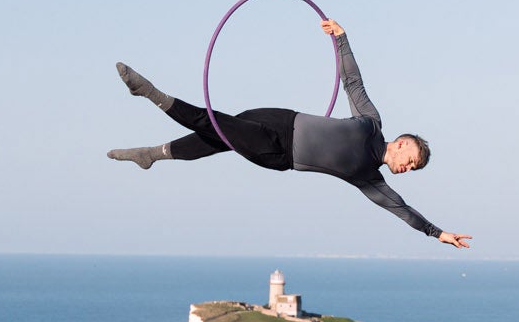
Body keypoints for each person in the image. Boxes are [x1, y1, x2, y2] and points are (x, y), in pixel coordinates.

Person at [108, 19, 471, 248]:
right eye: (411, 161)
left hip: (278, 151)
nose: (407, 169)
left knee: (215, 123)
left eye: (411, 169)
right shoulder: (372, 122)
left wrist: (437, 232)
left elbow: (401, 210)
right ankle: (151, 155)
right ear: (403, 144)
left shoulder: (370, 179)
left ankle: (150, 93)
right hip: (282, 117)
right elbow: (352, 82)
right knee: (219, 138)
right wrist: (342, 40)